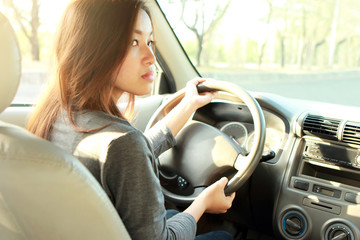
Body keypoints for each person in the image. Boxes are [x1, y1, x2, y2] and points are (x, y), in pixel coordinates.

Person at [27, 0, 236, 239]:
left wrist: (188, 105)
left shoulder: (58, 114)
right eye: (133, 42)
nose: (150, 57)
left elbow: (128, 152)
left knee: (169, 213)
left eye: (150, 42)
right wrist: (203, 203)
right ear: (93, 48)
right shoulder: (123, 143)